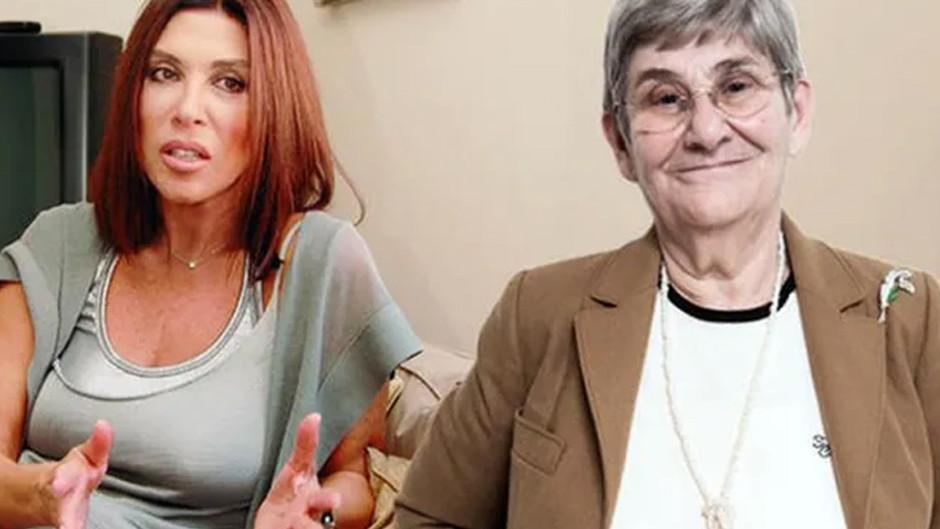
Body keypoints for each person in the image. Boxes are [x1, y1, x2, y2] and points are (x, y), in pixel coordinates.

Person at [395, 0, 940, 528]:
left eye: (736, 86)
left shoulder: (910, 318)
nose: (706, 131)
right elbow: (431, 518)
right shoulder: (536, 314)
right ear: (621, 142)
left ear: (795, 112)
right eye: (666, 98)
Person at [0, 0, 421, 528]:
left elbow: (352, 477)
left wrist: (318, 515)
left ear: (275, 107)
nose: (187, 109)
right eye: (164, 73)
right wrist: (43, 495)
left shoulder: (322, 262)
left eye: (230, 83)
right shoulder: (58, 242)